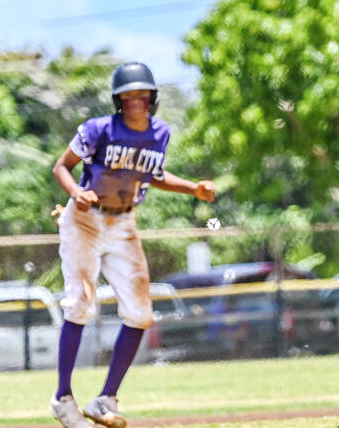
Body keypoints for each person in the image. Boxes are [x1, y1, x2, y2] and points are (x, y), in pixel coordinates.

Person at [49, 62, 216, 428]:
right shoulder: (98, 129)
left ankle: (105, 398)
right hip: (85, 221)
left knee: (141, 314)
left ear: (152, 98)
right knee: (81, 303)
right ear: (118, 100)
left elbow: (152, 175)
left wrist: (193, 187)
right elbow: (62, 166)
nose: (136, 100)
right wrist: (76, 193)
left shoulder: (160, 134)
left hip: (124, 222)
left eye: (142, 94)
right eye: (128, 95)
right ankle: (62, 399)